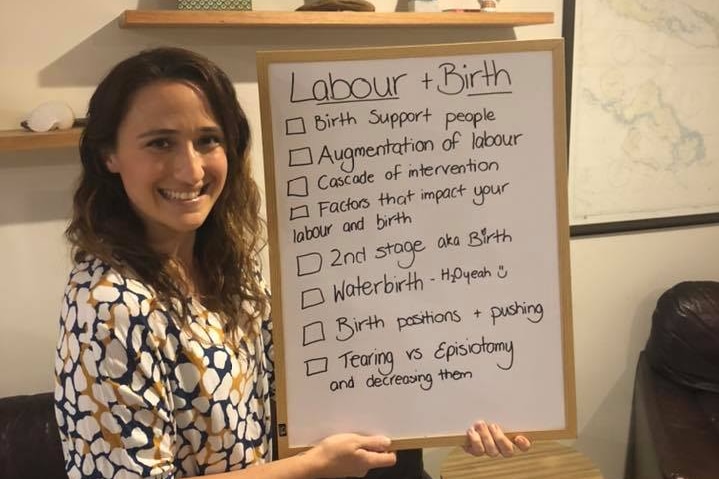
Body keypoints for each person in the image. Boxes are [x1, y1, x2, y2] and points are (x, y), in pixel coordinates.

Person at [53, 47, 530, 479]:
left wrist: (450, 412)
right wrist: (311, 468)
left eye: (208, 140)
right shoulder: (107, 306)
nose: (191, 169)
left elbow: (313, 397)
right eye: (160, 142)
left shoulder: (230, 272)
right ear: (108, 154)